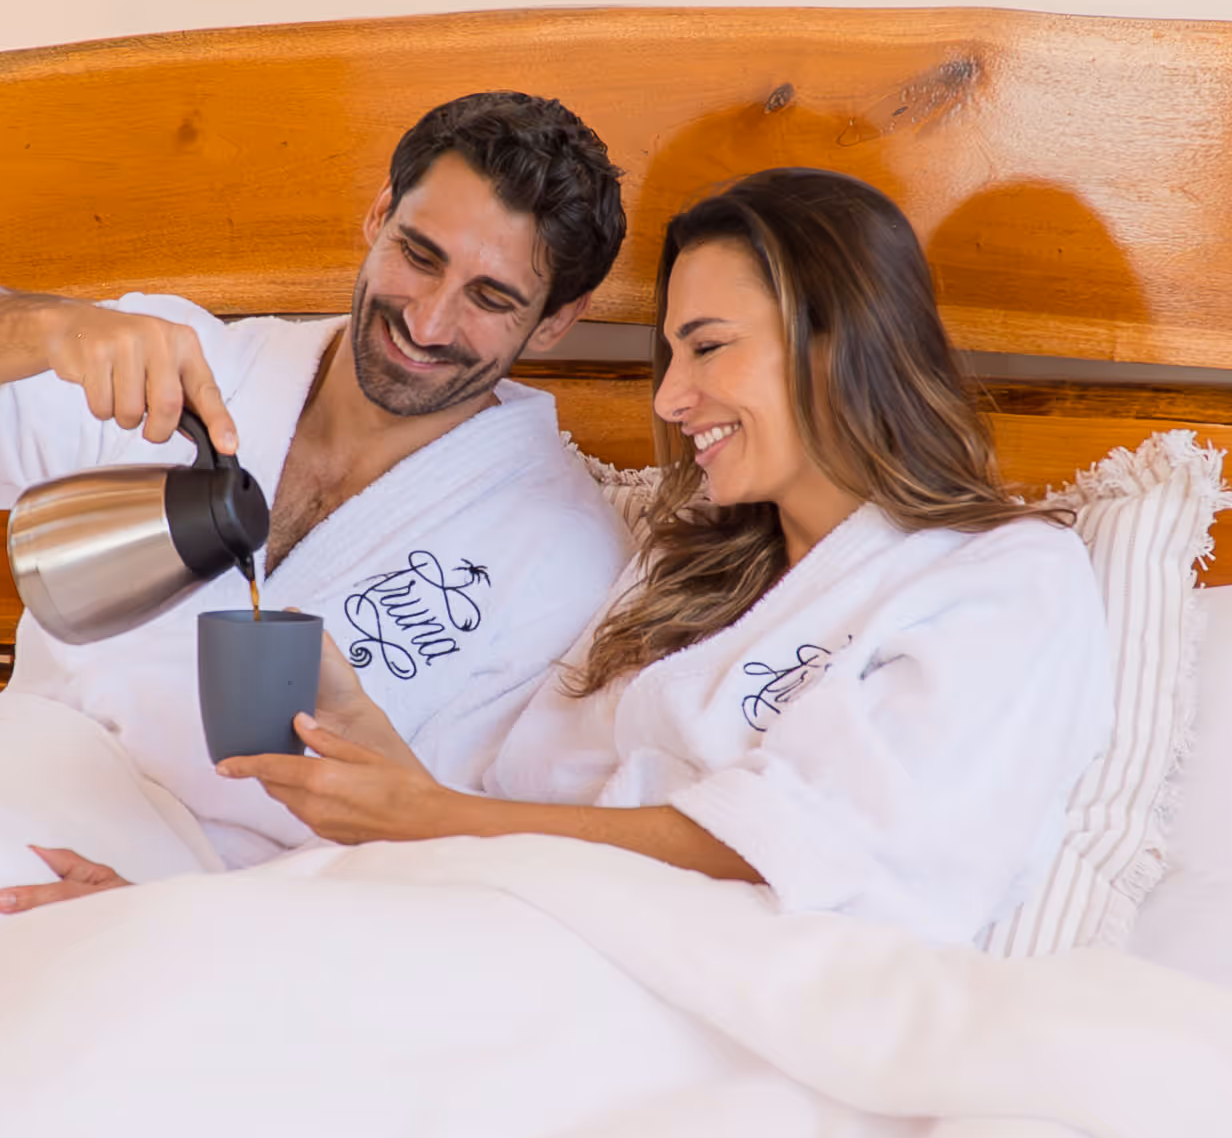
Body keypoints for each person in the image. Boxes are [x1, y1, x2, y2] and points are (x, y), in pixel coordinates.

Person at [219, 166, 1114, 953]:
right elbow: (519, 809)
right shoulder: (681, 577)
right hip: (519, 942)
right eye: (672, 351)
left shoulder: (1004, 580)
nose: (672, 397)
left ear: (840, 340)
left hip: (738, 997)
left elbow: (840, 846)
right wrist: (379, 785)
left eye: (709, 346)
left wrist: (435, 819)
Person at [0, 91, 634, 884]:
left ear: (557, 318)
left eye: (490, 297)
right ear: (379, 215)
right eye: (418, 255)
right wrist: (41, 328)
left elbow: (452, 856)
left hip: (225, 915)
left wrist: (171, 918)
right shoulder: (182, 363)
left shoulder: (562, 556)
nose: (428, 322)